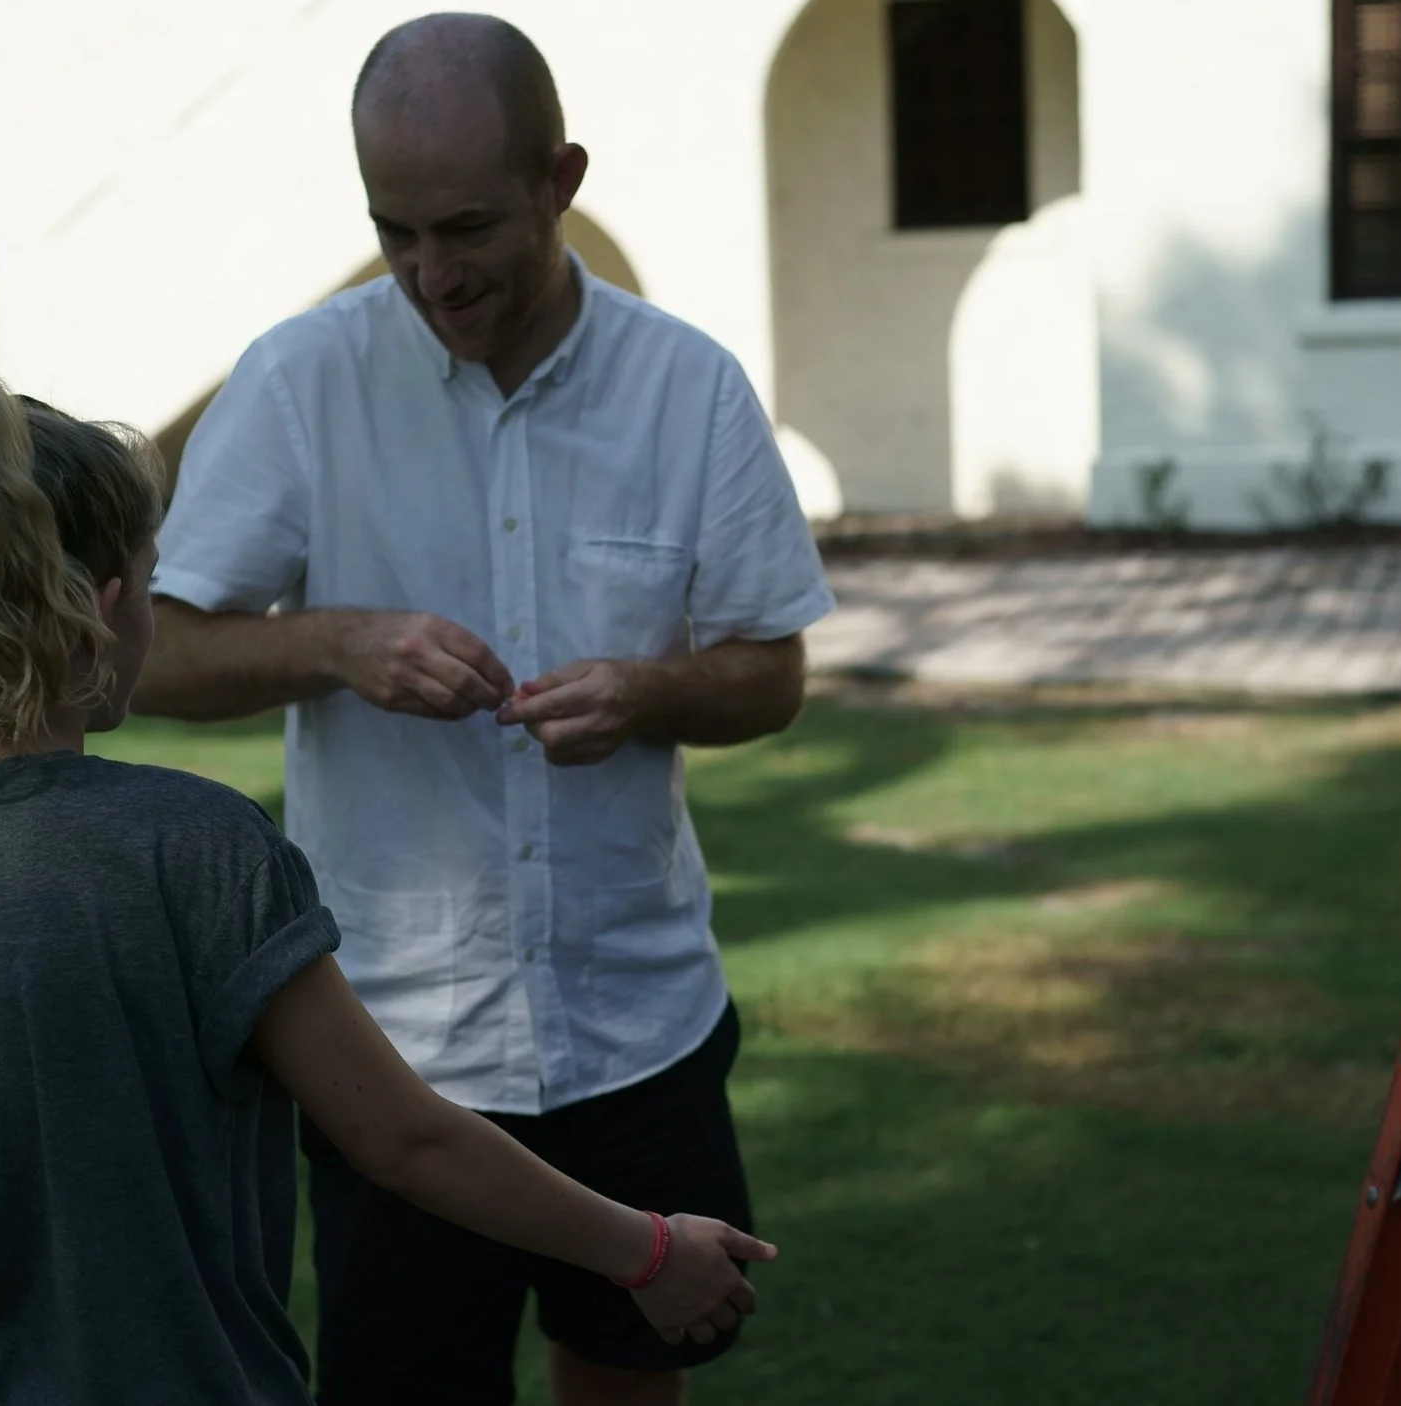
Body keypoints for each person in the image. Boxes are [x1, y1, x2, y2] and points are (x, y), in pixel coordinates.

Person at [0, 363, 773, 1406]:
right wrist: (643, 1248)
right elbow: (401, 1135)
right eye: (149, 579)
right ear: (105, 607)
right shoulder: (197, 846)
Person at [132, 12, 834, 1405]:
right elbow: (150, 656)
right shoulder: (301, 381)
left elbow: (772, 673)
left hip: (639, 1023)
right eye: (394, 231)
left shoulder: (687, 389)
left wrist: (648, 692)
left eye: (465, 227)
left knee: (631, 1367)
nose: (429, 273)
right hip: (396, 1053)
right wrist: (337, 644)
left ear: (559, 178)